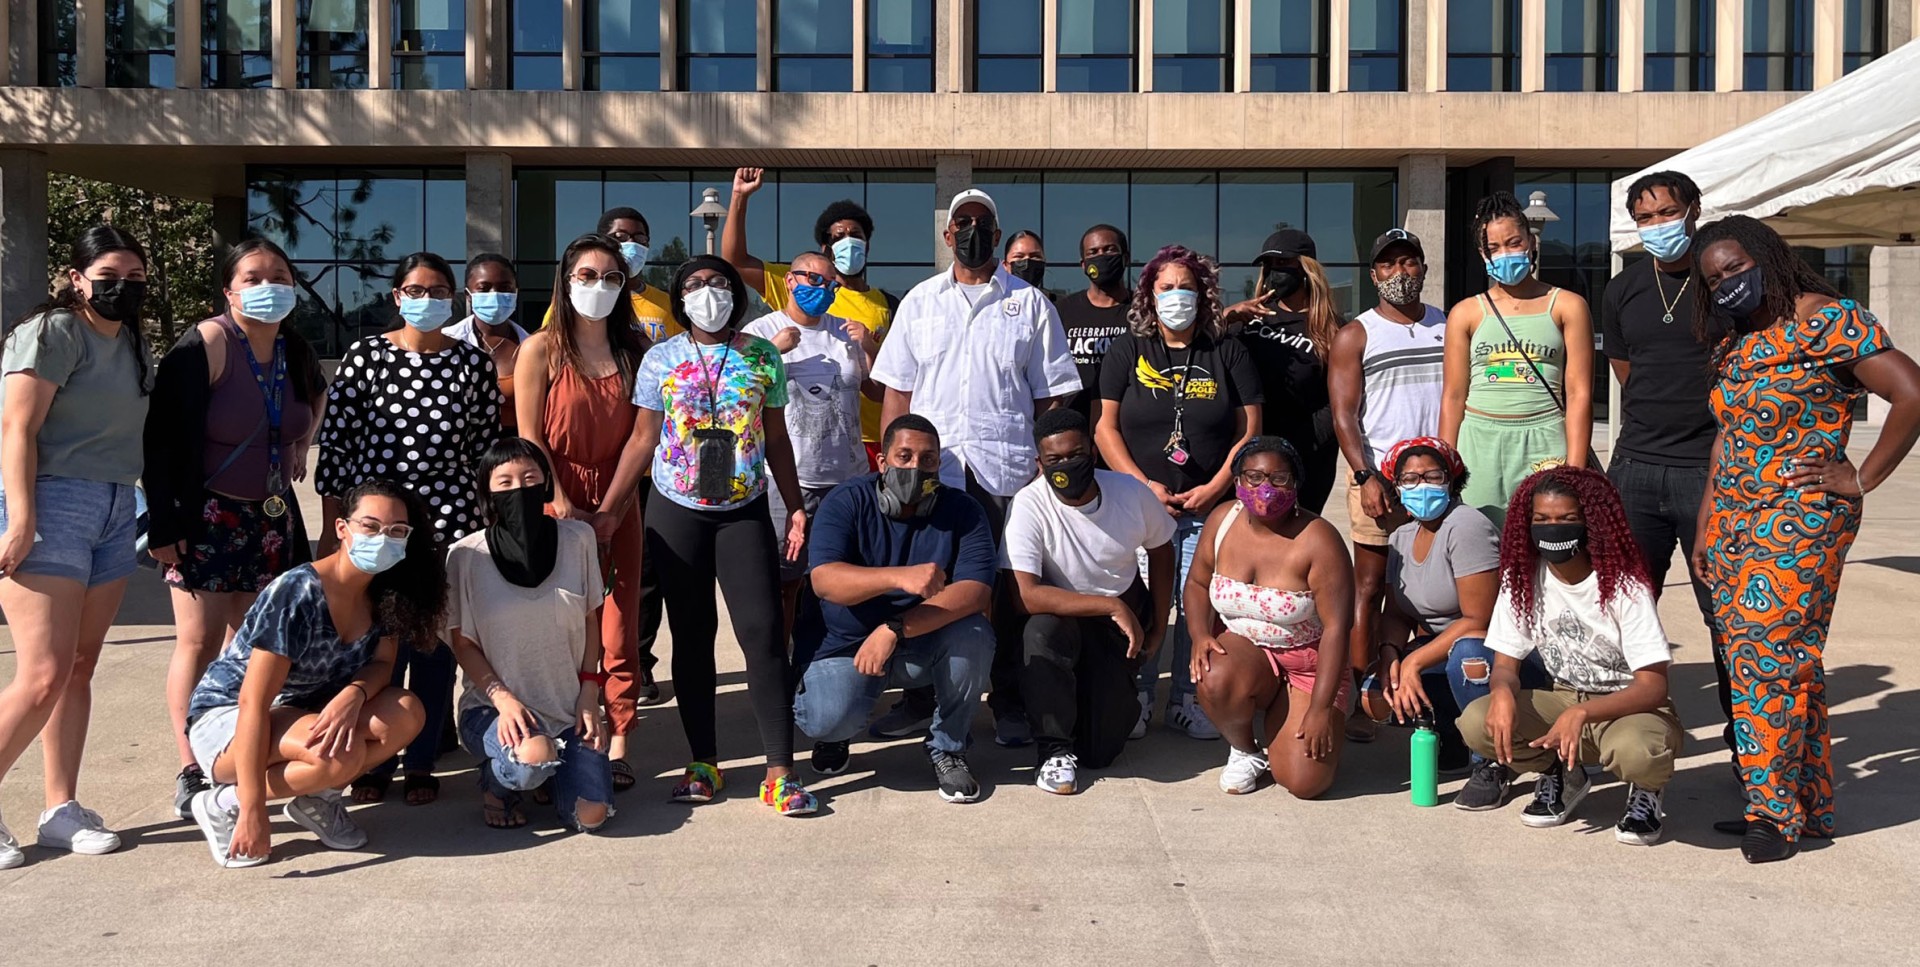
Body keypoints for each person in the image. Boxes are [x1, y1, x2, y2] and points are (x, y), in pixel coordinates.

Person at [1690, 215, 1920, 862]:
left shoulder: (1829, 320)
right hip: (1734, 520)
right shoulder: (1734, 344)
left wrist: (1861, 477)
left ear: (1764, 255)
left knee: (1770, 659)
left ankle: (1771, 812)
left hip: (1802, 517)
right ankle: (1810, 806)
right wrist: (1708, 523)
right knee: (1776, 663)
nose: (1728, 283)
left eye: (1735, 267)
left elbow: (1911, 393)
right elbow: (1726, 441)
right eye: (1715, 279)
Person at [595, 254, 816, 816]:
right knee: (691, 638)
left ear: (735, 295)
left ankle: (779, 772)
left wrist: (794, 506)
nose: (707, 292)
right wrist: (610, 509)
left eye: (718, 283)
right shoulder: (660, 358)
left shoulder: (762, 355)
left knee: (763, 634)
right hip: (676, 511)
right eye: (694, 285)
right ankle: (704, 764)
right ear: (679, 297)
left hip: (743, 511)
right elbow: (643, 440)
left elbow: (777, 440)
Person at [870, 187, 1081, 748]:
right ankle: (920, 697)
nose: (972, 232)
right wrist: (892, 466)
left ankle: (1008, 701)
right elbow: (898, 392)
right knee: (926, 583)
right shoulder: (918, 301)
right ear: (947, 236)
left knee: (1007, 593)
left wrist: (1044, 468)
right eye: (962, 223)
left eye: (983, 223)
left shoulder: (1031, 305)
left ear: (997, 232)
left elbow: (1052, 399)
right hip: (930, 477)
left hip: (1005, 472)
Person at [145, 237, 327, 820]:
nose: (267, 284)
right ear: (229, 289)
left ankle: (247, 754)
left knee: (260, 648)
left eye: (279, 274)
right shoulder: (209, 342)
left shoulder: (295, 349)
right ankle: (194, 768)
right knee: (198, 644)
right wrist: (165, 524)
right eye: (252, 276)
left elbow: (315, 400)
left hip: (271, 516)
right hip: (204, 516)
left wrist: (298, 441)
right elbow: (162, 438)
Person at [314, 251, 503, 806]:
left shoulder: (472, 364)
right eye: (416, 290)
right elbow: (339, 449)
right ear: (397, 296)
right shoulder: (366, 357)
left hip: (447, 517)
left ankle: (421, 758)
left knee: (430, 640)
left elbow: (481, 450)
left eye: (439, 291)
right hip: (375, 520)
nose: (429, 301)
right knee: (378, 639)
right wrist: (335, 529)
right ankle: (375, 758)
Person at [183, 478, 443, 868]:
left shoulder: (387, 592)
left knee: (406, 712)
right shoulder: (297, 591)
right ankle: (224, 802)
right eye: (370, 526)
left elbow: (383, 664)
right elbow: (253, 701)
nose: (382, 538)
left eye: (396, 531)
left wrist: (354, 694)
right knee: (339, 755)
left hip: (301, 710)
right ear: (343, 528)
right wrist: (254, 809)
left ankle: (318, 799)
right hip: (230, 720)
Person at [0, 226, 153, 867]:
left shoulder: (133, 345)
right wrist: (21, 517)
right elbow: (16, 424)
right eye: (110, 274)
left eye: (136, 279)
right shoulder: (54, 332)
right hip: (52, 503)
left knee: (80, 667)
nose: (123, 288)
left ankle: (60, 808)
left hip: (117, 505)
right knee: (41, 673)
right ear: (78, 277)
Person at [1454, 466, 1682, 847]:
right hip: (1562, 697)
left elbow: (1654, 686)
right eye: (1541, 519)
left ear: (1591, 522)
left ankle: (1647, 789)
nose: (1552, 528)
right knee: (1479, 721)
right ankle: (1561, 773)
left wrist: (1582, 713)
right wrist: (1504, 693)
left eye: (1567, 519)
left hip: (1628, 707)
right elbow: (1506, 665)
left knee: (1638, 752)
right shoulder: (1523, 578)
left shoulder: (1624, 583)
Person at [1094, 244, 1262, 742]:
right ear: (1149, 295)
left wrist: (1215, 487)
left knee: (1199, 609)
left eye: (1186, 287)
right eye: (1165, 288)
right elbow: (1105, 428)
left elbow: (1249, 430)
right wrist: (1141, 485)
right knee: (1146, 604)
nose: (1176, 297)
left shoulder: (1226, 351)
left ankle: (1190, 698)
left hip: (1207, 508)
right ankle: (1140, 692)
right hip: (1139, 509)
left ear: (1204, 294)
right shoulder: (1128, 350)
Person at [792, 415, 997, 802]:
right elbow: (824, 580)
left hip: (915, 639)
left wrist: (893, 628)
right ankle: (836, 738)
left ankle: (948, 747)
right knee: (827, 717)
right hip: (845, 647)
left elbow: (975, 591)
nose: (916, 467)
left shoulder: (963, 510)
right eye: (904, 456)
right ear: (882, 462)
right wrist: (898, 577)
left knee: (975, 635)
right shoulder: (846, 501)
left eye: (928, 459)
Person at [514, 234, 650, 792]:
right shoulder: (541, 349)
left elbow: (645, 437)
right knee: (556, 622)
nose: (599, 287)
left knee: (619, 620)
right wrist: (561, 501)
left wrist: (613, 508)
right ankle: (550, 729)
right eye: (587, 275)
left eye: (611, 277)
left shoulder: (636, 350)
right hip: (553, 493)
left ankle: (617, 738)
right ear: (566, 281)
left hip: (620, 495)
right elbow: (530, 433)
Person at [1601, 171, 1729, 759]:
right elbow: (1629, 371)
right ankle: (1627, 732)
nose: (1657, 226)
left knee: (1723, 614)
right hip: (1635, 467)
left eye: (1667, 213)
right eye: (1645, 218)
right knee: (1625, 608)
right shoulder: (1624, 288)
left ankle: (1746, 744)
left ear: (1694, 210)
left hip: (1710, 471)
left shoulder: (1723, 280)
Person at [1370, 436, 1549, 808]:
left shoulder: (1464, 525)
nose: (1422, 486)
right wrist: (1391, 657)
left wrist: (1415, 662)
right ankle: (1452, 737)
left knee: (1468, 656)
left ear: (1452, 480)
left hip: (1507, 656)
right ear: (1396, 486)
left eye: (1432, 476)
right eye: (1410, 479)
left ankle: (1494, 762)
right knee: (1374, 692)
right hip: (1445, 650)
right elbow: (1397, 612)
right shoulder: (1402, 535)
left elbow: (1478, 620)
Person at [447, 440, 613, 831]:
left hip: (570, 709)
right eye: (503, 481)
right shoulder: (465, 556)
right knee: (531, 760)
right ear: (487, 493)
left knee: (592, 816)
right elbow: (462, 643)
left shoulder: (578, 540)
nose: (517, 488)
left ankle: (552, 776)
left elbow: (592, 620)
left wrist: (590, 692)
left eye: (529, 477)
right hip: (493, 710)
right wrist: (502, 701)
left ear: (545, 483)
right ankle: (496, 786)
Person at [1007, 409, 1175, 794]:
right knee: (1040, 632)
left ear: (1094, 453)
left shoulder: (1130, 492)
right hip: (1064, 616)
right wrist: (1111, 606)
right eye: (1054, 460)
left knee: (1101, 752)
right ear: (1039, 463)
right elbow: (1026, 596)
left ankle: (1115, 701)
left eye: (1076, 454)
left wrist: (1157, 626)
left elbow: (1162, 550)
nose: (1067, 465)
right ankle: (1053, 750)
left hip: (1120, 621)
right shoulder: (1029, 505)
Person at [1328, 228, 1448, 743]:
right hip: (1380, 482)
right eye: (1389, 265)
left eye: (1410, 262)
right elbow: (1344, 413)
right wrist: (1364, 475)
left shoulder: (1448, 323)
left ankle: (1426, 686)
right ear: (1374, 274)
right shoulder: (1357, 333)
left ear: (1424, 268)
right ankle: (1358, 694)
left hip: (1442, 481)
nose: (1401, 272)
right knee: (1372, 586)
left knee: (1439, 589)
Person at [1186, 438, 1354, 799]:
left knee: (1304, 783)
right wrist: (1200, 635)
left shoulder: (1319, 540)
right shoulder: (1222, 520)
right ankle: (1245, 750)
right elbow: (1198, 583)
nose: (1265, 488)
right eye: (1254, 477)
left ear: (1296, 484)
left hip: (1310, 662)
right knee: (1213, 673)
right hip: (1249, 652)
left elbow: (1339, 628)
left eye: (1279, 479)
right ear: (1237, 482)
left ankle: (1305, 709)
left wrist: (1321, 709)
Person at [742, 252, 882, 635]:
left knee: (840, 583)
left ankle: (827, 660)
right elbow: (737, 394)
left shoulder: (847, 332)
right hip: (786, 482)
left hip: (846, 478)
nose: (823, 290)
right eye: (814, 281)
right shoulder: (761, 331)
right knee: (784, 583)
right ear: (790, 281)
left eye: (831, 284)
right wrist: (772, 351)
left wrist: (870, 348)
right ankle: (783, 666)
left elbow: (879, 393)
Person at [723, 167, 898, 467]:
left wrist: (870, 346)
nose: (849, 241)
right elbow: (734, 261)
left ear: (867, 245)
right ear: (826, 249)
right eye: (839, 237)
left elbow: (892, 377)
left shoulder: (888, 303)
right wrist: (740, 198)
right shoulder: (802, 281)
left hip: (869, 438)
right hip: (803, 448)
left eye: (856, 235)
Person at [1441, 192, 1596, 527]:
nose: (1505, 254)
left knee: (1546, 542)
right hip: (1478, 442)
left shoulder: (1567, 305)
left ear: (1531, 242)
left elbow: (1579, 392)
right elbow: (1453, 395)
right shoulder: (1465, 312)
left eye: (1513, 243)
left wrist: (1576, 469)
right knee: (1481, 540)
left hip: (1545, 439)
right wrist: (1445, 463)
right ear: (1482, 254)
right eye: (1494, 248)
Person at [1221, 229, 1343, 512]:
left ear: (1305, 269)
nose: (1275, 272)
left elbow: (1338, 400)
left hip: (1304, 456)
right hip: (1249, 449)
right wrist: (1227, 317)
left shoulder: (1331, 328)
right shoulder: (1249, 318)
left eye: (1284, 264)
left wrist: (1298, 444)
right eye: (1270, 266)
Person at [542, 206, 679, 342]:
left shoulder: (666, 303)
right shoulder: (578, 300)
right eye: (620, 237)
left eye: (640, 239)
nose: (631, 244)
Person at [1055, 224, 1133, 429]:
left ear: (1126, 258)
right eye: (1094, 252)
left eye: (1110, 250)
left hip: (1128, 429)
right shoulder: (1062, 311)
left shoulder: (1144, 310)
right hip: (1073, 432)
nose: (1102, 256)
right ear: (1083, 264)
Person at [447, 253, 527, 432]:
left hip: (516, 450)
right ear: (468, 295)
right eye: (484, 288)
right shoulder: (448, 342)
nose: (495, 295)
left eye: (505, 288)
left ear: (516, 292)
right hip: (461, 448)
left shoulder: (531, 345)